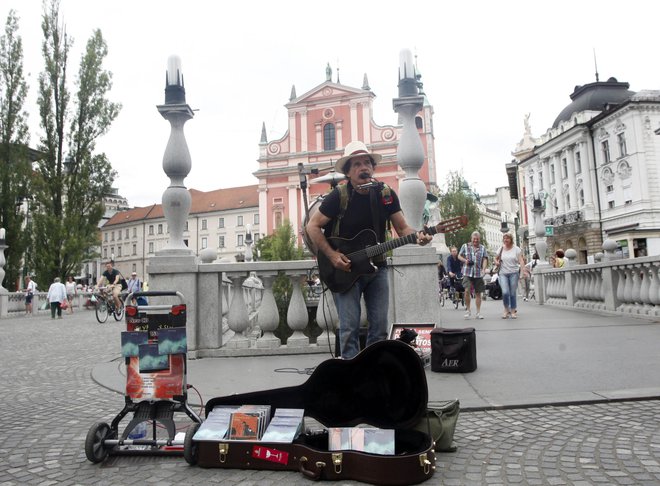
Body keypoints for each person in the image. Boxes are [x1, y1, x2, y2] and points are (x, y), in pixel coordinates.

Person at [305, 140, 432, 359]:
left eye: (366, 163)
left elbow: (402, 228)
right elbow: (312, 226)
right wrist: (332, 255)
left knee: (380, 328)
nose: (363, 167)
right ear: (348, 171)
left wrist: (418, 236)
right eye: (356, 164)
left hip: (377, 267)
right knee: (349, 328)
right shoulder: (339, 196)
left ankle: (373, 373)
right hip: (344, 270)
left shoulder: (385, 194)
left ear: (372, 168)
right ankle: (351, 377)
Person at [458, 231, 489, 319]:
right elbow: (459, 256)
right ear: (471, 239)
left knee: (478, 293)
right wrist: (465, 261)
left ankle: (478, 312)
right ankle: (468, 310)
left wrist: (483, 269)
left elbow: (485, 259)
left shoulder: (483, 248)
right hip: (467, 272)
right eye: (474, 239)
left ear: (479, 239)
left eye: (477, 239)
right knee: (467, 290)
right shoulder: (465, 246)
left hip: (478, 273)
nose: (475, 241)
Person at [494, 233, 525, 319]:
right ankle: (506, 309)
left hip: (514, 273)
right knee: (505, 292)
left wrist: (522, 272)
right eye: (504, 239)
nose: (505, 240)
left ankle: (513, 310)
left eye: (507, 238)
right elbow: (495, 258)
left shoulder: (516, 249)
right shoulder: (501, 249)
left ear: (511, 239)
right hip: (503, 273)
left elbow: (521, 261)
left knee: (512, 293)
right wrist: (496, 262)